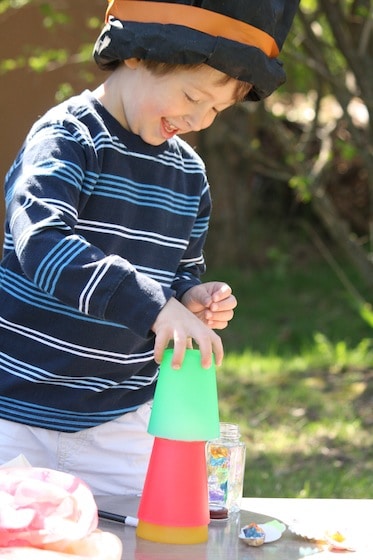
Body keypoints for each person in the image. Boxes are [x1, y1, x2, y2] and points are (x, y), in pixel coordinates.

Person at [0, 0, 299, 494]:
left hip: (121, 420)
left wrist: (189, 299)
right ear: (138, 53)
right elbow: (43, 243)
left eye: (216, 110)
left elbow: (179, 271)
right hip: (17, 414)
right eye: (192, 95)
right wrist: (156, 307)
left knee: (157, 533)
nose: (200, 119)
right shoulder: (67, 138)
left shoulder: (187, 174)